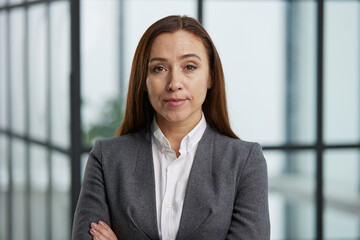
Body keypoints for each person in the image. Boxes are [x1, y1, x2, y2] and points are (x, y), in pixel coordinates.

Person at [72, 15, 270, 240]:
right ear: (143, 80)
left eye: (190, 66)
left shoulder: (245, 162)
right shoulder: (106, 158)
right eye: (159, 68)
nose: (174, 83)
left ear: (210, 77)